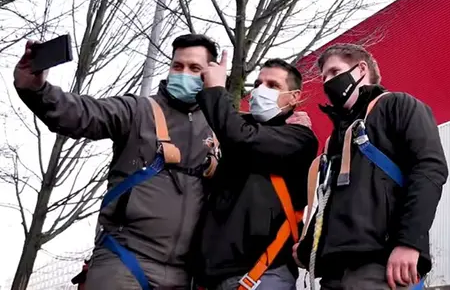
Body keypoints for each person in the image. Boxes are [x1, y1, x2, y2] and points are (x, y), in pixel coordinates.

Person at [14, 34, 222, 289]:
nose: (183, 74)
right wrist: (36, 90)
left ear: (211, 73)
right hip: (125, 261)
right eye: (177, 66)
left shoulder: (219, 129)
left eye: (194, 68)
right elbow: (82, 113)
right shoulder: (138, 111)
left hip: (184, 275)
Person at [294, 43, 449, 290]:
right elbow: (330, 200)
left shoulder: (397, 105)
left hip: (380, 265)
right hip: (334, 271)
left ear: (361, 69)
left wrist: (409, 242)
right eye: (324, 77)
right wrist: (307, 247)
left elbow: (430, 169)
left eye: (335, 72)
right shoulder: (335, 138)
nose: (327, 83)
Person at [193, 56, 318, 290]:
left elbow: (241, 137)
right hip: (214, 276)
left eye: (273, 86)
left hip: (263, 274)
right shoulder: (237, 129)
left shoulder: (298, 138)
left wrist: (216, 89)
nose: (261, 91)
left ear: (294, 97)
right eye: (258, 84)